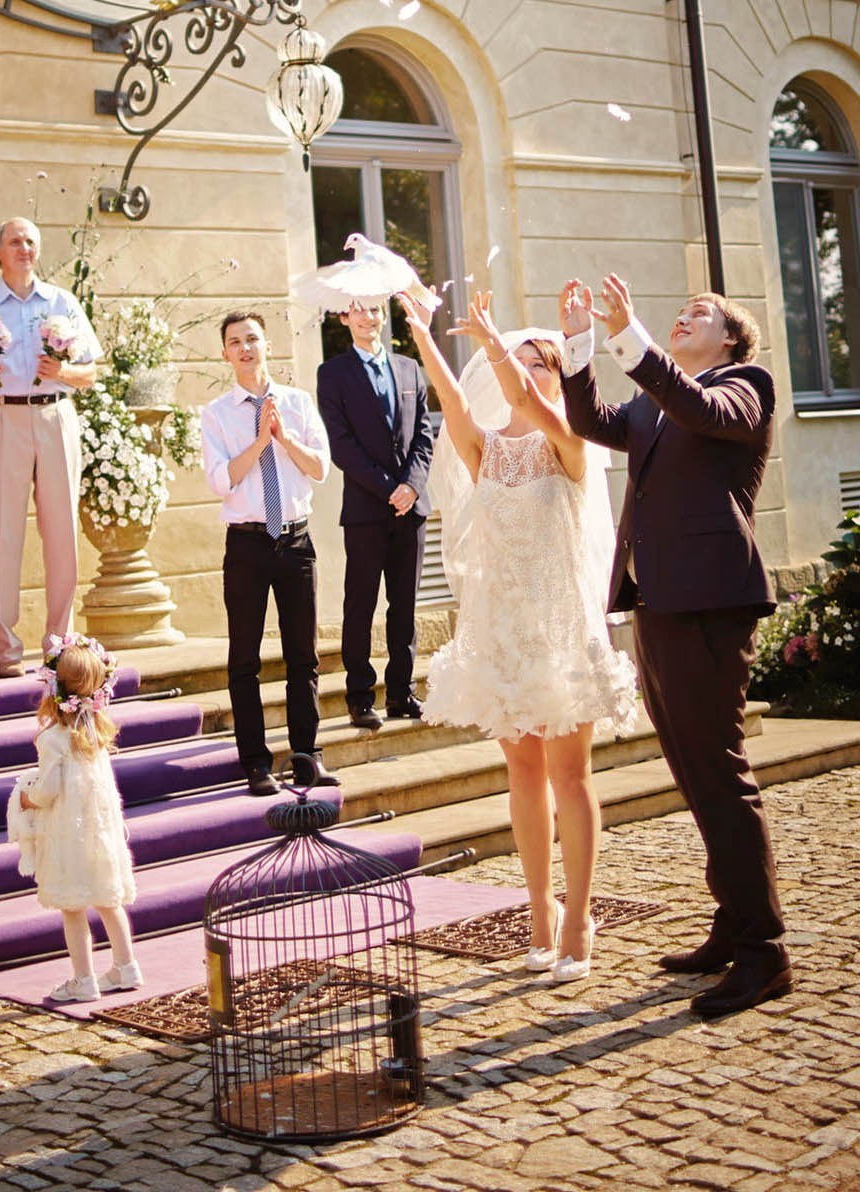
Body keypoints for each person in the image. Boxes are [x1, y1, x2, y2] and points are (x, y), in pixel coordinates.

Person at [559, 274, 791, 1018]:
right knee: (691, 770)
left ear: (729, 338)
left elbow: (697, 406)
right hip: (657, 601)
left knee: (720, 771)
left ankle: (765, 952)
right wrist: (577, 344)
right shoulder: (656, 406)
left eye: (700, 315)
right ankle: (732, 920)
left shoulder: (744, 386)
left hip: (713, 604)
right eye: (680, 312)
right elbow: (593, 420)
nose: (684, 318)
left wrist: (635, 340)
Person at [400, 289, 636, 982]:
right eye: (522, 361)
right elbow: (451, 402)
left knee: (571, 775)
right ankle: (538, 908)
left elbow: (532, 406)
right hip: (502, 629)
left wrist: (497, 343)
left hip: (560, 631)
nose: (529, 372)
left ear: (560, 376)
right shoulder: (488, 450)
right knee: (523, 775)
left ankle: (581, 913)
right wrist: (422, 333)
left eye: (543, 362)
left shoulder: (573, 444)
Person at [0, 217, 101, 677]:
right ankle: (6, 649)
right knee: (0, 531)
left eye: (30, 241)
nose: (24, 248)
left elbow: (90, 372)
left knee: (62, 532)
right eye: (14, 241)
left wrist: (63, 373)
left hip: (55, 415)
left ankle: (60, 644)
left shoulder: (62, 301)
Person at [200, 310, 338, 796]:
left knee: (304, 657)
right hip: (247, 544)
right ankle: (256, 764)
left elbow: (320, 468)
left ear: (267, 345)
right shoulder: (216, 414)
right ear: (225, 354)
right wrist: (260, 442)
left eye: (252, 339)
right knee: (246, 659)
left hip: (296, 541)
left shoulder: (297, 403)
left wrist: (284, 438)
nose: (245, 348)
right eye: (235, 341)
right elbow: (221, 480)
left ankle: (307, 757)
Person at [316, 300, 434, 729]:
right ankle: (360, 696)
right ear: (344, 318)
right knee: (360, 605)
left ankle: (402, 693)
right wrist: (390, 489)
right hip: (367, 510)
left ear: (384, 315)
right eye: (357, 311)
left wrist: (412, 487)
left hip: (412, 509)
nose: (368, 317)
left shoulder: (409, 368)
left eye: (374, 309)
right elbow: (342, 445)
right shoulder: (332, 374)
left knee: (404, 606)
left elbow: (424, 435)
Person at [7, 633, 142, 1003]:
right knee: (108, 902)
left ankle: (84, 979)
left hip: (70, 837)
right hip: (101, 835)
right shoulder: (99, 732)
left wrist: (25, 798)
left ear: (54, 688)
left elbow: (48, 789)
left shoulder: (53, 739)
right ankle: (126, 966)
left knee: (73, 907)